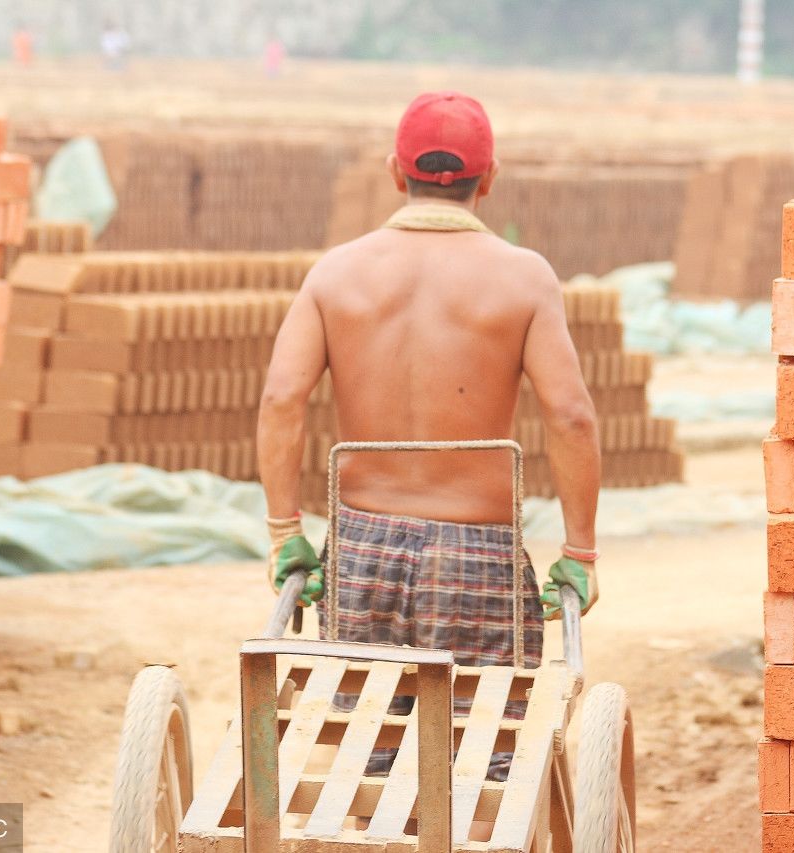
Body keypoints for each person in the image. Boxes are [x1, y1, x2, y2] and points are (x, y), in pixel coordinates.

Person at [256, 92, 601, 777]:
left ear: (394, 172)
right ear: (490, 177)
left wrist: (283, 531)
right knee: (486, 763)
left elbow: (280, 398)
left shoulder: (336, 273)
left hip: (364, 551)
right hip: (477, 553)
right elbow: (572, 417)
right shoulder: (524, 277)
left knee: (369, 754)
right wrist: (580, 551)